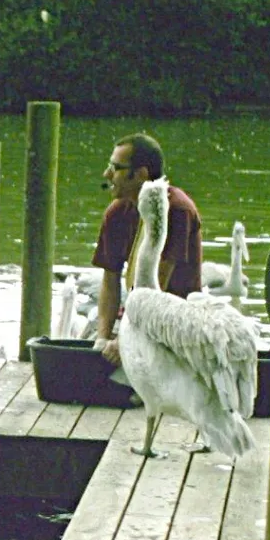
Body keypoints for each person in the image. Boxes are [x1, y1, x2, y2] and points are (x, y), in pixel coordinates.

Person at [93, 132, 202, 365]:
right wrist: (102, 339)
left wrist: (125, 342)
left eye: (116, 168)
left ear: (140, 174)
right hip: (134, 316)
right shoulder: (116, 212)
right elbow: (109, 280)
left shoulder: (176, 211)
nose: (107, 175)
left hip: (173, 324)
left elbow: (155, 286)